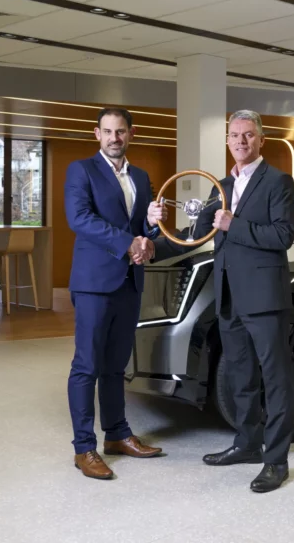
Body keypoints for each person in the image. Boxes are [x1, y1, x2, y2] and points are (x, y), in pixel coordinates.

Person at [153, 110, 294, 492]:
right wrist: (150, 239)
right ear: (228, 141)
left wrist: (236, 225)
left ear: (261, 139)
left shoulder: (279, 181)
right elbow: (192, 234)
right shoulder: (219, 186)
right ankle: (247, 444)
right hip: (229, 298)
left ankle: (276, 461)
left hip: (265, 298)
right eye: (234, 136)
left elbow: (283, 236)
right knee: (240, 377)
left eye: (248, 135)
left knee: (276, 379)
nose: (240, 142)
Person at [64, 107, 167, 480]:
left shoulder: (141, 176)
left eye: (120, 131)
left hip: (129, 282)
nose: (114, 138)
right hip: (94, 282)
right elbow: (80, 219)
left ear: (131, 134)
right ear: (97, 134)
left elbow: (142, 228)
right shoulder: (81, 170)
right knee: (87, 365)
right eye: (107, 131)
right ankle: (83, 448)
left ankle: (117, 434)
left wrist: (152, 230)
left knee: (115, 365)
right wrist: (130, 242)